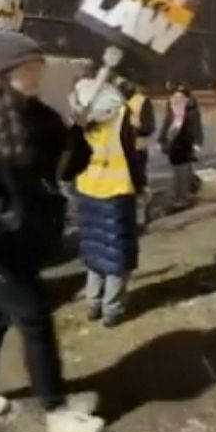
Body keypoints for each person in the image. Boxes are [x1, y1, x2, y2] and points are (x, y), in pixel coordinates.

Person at [0, 30, 106, 432]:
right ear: (10, 71)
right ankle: (56, 414)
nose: (39, 73)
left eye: (39, 65)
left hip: (23, 232)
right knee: (33, 310)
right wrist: (9, 224)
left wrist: (78, 134)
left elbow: (65, 169)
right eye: (31, 67)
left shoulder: (40, 116)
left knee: (1, 308)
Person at [73, 78, 146, 327]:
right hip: (116, 191)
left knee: (95, 249)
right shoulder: (119, 114)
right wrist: (141, 186)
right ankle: (111, 309)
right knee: (118, 255)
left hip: (87, 189)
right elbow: (129, 154)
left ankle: (93, 304)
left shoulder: (79, 115)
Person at [159, 86, 204, 211]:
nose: (177, 98)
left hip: (185, 144)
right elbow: (166, 124)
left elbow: (196, 128)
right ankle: (183, 192)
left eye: (181, 96)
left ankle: (183, 198)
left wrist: (197, 144)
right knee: (177, 172)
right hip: (173, 145)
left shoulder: (191, 110)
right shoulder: (171, 108)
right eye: (176, 96)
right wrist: (162, 140)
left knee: (183, 172)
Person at [121, 80, 155, 225]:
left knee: (138, 183)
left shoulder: (142, 101)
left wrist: (132, 131)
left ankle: (142, 217)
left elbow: (149, 126)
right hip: (121, 150)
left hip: (138, 148)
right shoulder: (116, 102)